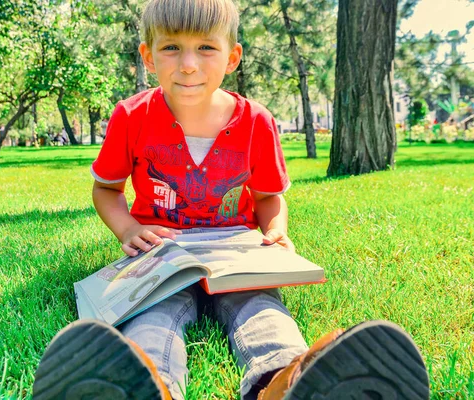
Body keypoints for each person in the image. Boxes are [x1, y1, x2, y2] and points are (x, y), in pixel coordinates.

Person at [31, 1, 430, 399]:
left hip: (236, 257)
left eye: (206, 48)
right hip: (163, 255)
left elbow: (269, 198)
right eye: (171, 48)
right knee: (152, 317)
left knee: (262, 312)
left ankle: (283, 384)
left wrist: (275, 230)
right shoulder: (131, 116)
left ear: (232, 56)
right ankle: (150, 388)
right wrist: (129, 228)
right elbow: (107, 189)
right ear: (148, 57)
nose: (188, 64)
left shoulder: (257, 121)